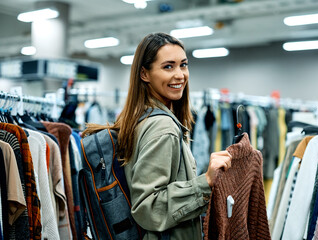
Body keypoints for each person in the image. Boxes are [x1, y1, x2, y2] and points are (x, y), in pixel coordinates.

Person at [83, 32, 232, 239]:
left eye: (183, 65)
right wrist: (205, 182)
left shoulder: (140, 117)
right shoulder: (163, 127)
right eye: (168, 67)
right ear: (144, 74)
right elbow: (148, 207)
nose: (180, 75)